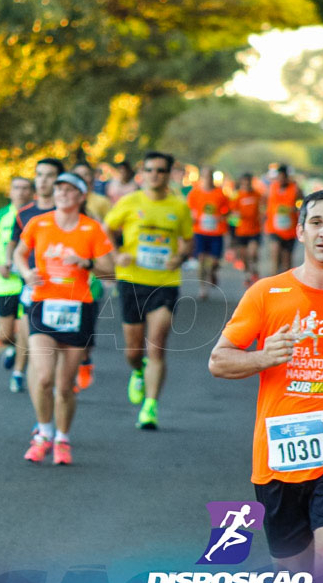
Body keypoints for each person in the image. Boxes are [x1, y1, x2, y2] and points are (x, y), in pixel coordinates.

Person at [209, 189, 323, 580]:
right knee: (291, 576)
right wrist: (265, 356)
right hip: (280, 457)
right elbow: (219, 360)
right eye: (316, 222)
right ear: (299, 231)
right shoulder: (267, 294)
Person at [14, 173, 114, 465]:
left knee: (65, 384)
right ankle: (44, 433)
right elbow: (20, 253)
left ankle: (63, 438)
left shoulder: (91, 229)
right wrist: (25, 273)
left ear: (81, 196)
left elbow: (109, 272)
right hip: (43, 304)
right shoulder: (38, 223)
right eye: (59, 189)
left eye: (70, 190)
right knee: (44, 377)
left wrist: (87, 263)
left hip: (77, 309)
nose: (62, 194)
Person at [104, 151, 193, 430]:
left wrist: (179, 257)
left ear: (168, 175)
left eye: (161, 170)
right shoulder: (129, 202)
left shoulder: (179, 207)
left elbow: (187, 241)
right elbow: (105, 230)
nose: (155, 175)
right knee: (133, 350)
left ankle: (150, 407)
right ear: (143, 173)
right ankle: (138, 371)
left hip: (165, 283)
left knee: (157, 344)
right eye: (151, 170)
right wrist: (117, 254)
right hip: (132, 281)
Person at [6, 158, 65, 394]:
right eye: (39, 174)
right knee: (27, 327)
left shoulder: (67, 211)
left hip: (64, 285)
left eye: (49, 175)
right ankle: (20, 371)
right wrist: (14, 264)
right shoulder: (24, 213)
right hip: (33, 281)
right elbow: (14, 244)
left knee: (57, 335)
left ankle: (59, 377)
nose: (43, 180)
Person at [0, 177, 34, 392]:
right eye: (17, 188)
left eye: (25, 188)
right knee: (5, 335)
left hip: (28, 283)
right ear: (10, 192)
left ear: (31, 192)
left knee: (26, 331)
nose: (21, 192)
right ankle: (12, 350)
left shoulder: (35, 215)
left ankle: (18, 373)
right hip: (4, 283)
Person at [71, 160, 112, 391]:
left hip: (90, 280)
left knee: (83, 329)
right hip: (59, 283)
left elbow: (111, 234)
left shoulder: (100, 206)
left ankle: (84, 360)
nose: (83, 179)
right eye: (78, 175)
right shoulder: (59, 207)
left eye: (86, 175)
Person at [187, 166, 231, 300]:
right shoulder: (194, 193)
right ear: (201, 177)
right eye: (205, 176)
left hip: (216, 232)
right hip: (200, 231)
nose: (208, 179)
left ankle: (212, 272)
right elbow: (189, 209)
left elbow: (227, 210)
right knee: (201, 260)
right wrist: (193, 217)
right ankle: (202, 288)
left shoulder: (220, 193)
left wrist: (221, 217)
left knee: (214, 262)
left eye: (210, 176)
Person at [266, 164, 303, 276]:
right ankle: (274, 282)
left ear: (287, 177)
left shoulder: (296, 189)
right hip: (274, 227)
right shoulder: (272, 187)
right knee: (275, 253)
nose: (281, 179)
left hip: (289, 230)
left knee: (287, 260)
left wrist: (294, 208)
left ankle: (286, 283)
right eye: (279, 177)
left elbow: (301, 203)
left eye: (283, 177)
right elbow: (265, 202)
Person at [231, 172, 263, 285]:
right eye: (244, 182)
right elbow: (232, 213)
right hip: (242, 230)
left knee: (253, 253)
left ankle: (253, 269)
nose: (246, 184)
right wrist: (235, 217)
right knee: (244, 256)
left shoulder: (257, 195)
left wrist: (262, 216)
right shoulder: (237, 196)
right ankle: (248, 274)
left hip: (255, 229)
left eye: (248, 182)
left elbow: (263, 208)